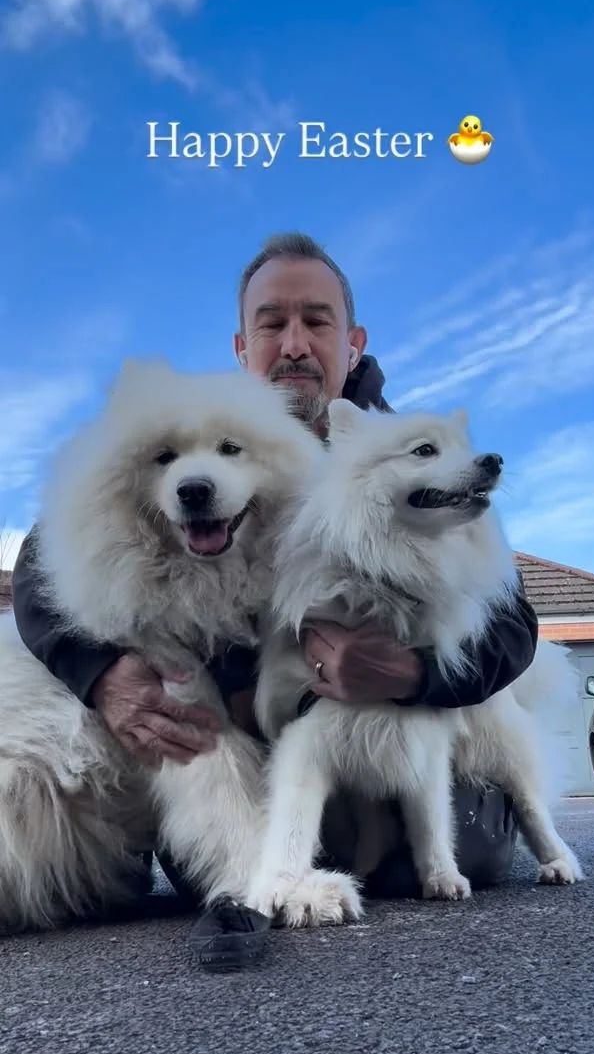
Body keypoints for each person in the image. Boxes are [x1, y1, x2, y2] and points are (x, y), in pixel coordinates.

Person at [11, 231, 538, 928]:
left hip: (370, 733)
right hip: (249, 741)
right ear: (242, 347)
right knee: (180, 730)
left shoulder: (408, 452)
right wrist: (100, 672)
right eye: (272, 323)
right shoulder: (196, 419)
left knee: (462, 853)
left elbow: (511, 622)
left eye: (317, 321)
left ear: (353, 342)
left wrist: (410, 674)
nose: (294, 343)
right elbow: (47, 559)